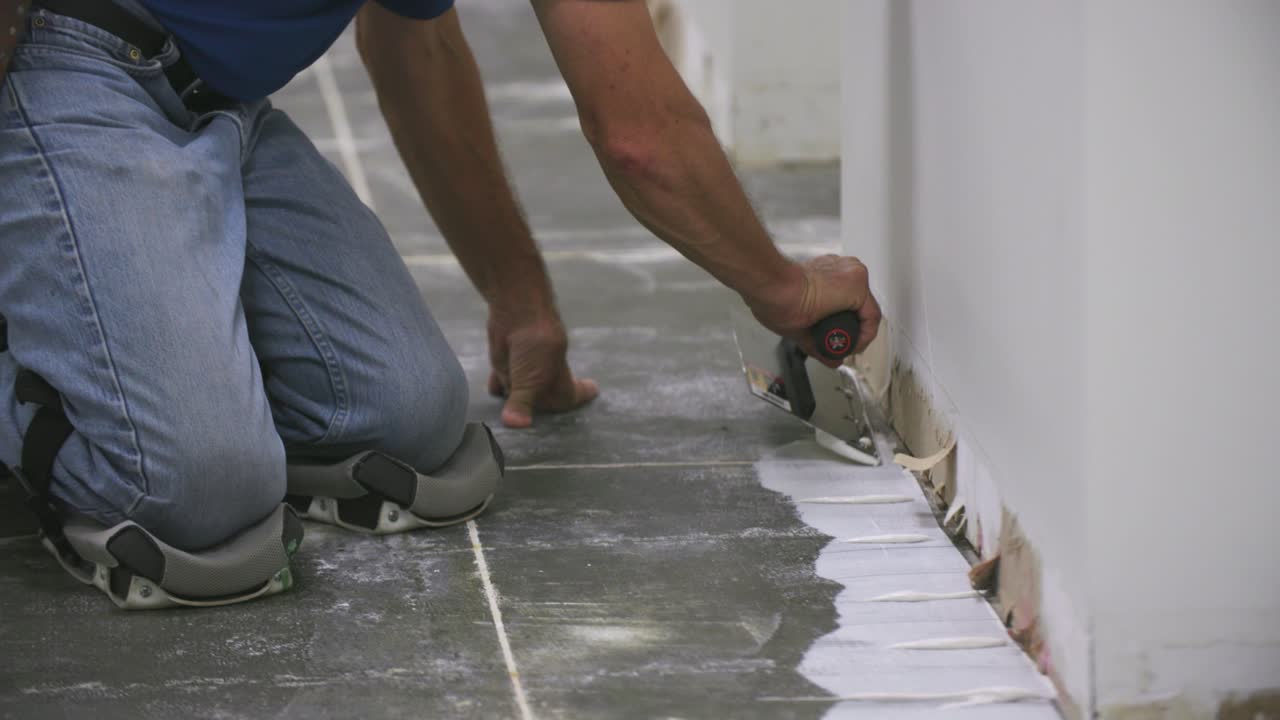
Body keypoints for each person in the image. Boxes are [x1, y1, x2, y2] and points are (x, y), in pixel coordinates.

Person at [0, 0, 880, 607]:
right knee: (192, 492)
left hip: (218, 104)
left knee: (400, 416)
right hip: (62, 64)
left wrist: (519, 297)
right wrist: (789, 290)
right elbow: (640, 137)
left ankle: (128, 318)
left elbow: (416, 49)